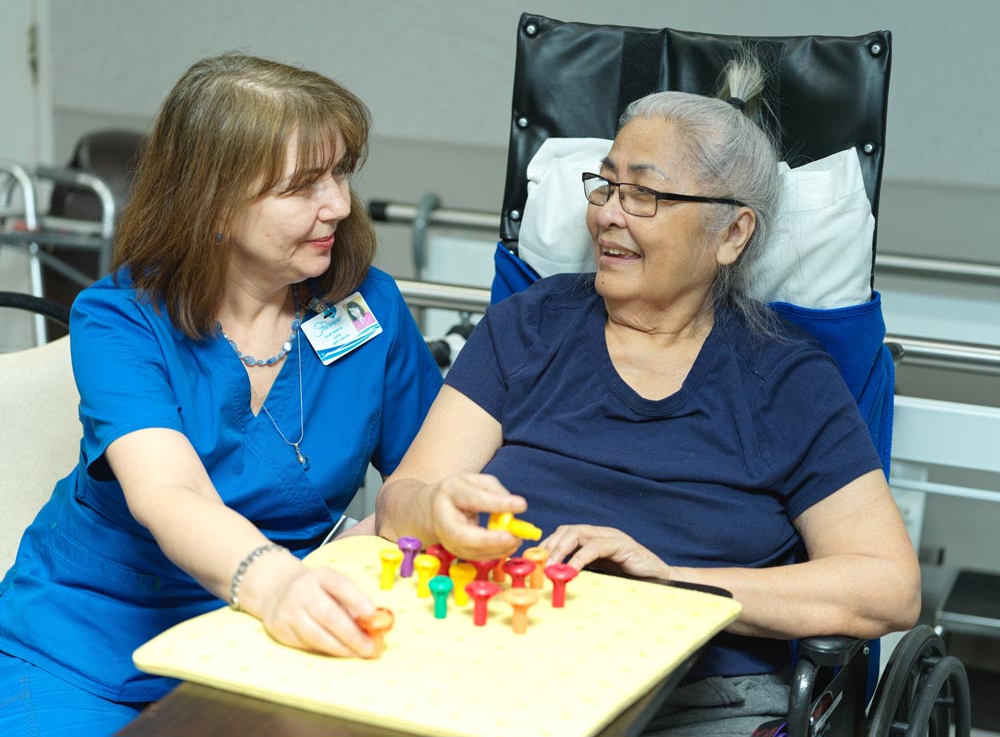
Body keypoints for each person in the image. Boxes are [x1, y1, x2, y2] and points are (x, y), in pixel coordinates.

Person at [375, 55, 920, 736]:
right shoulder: (529, 326)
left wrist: (672, 584)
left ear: (733, 233)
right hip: (496, 658)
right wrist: (435, 509)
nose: (607, 214)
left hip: (695, 700)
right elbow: (400, 501)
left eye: (644, 194)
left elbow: (888, 588)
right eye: (603, 187)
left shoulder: (787, 383)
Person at [0, 53, 441, 735]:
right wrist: (277, 581)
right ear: (213, 202)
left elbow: (427, 473)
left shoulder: (367, 307)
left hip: (272, 638)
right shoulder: (119, 321)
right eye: (303, 187)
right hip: (94, 639)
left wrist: (416, 520)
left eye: (341, 173)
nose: (339, 206)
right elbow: (169, 492)